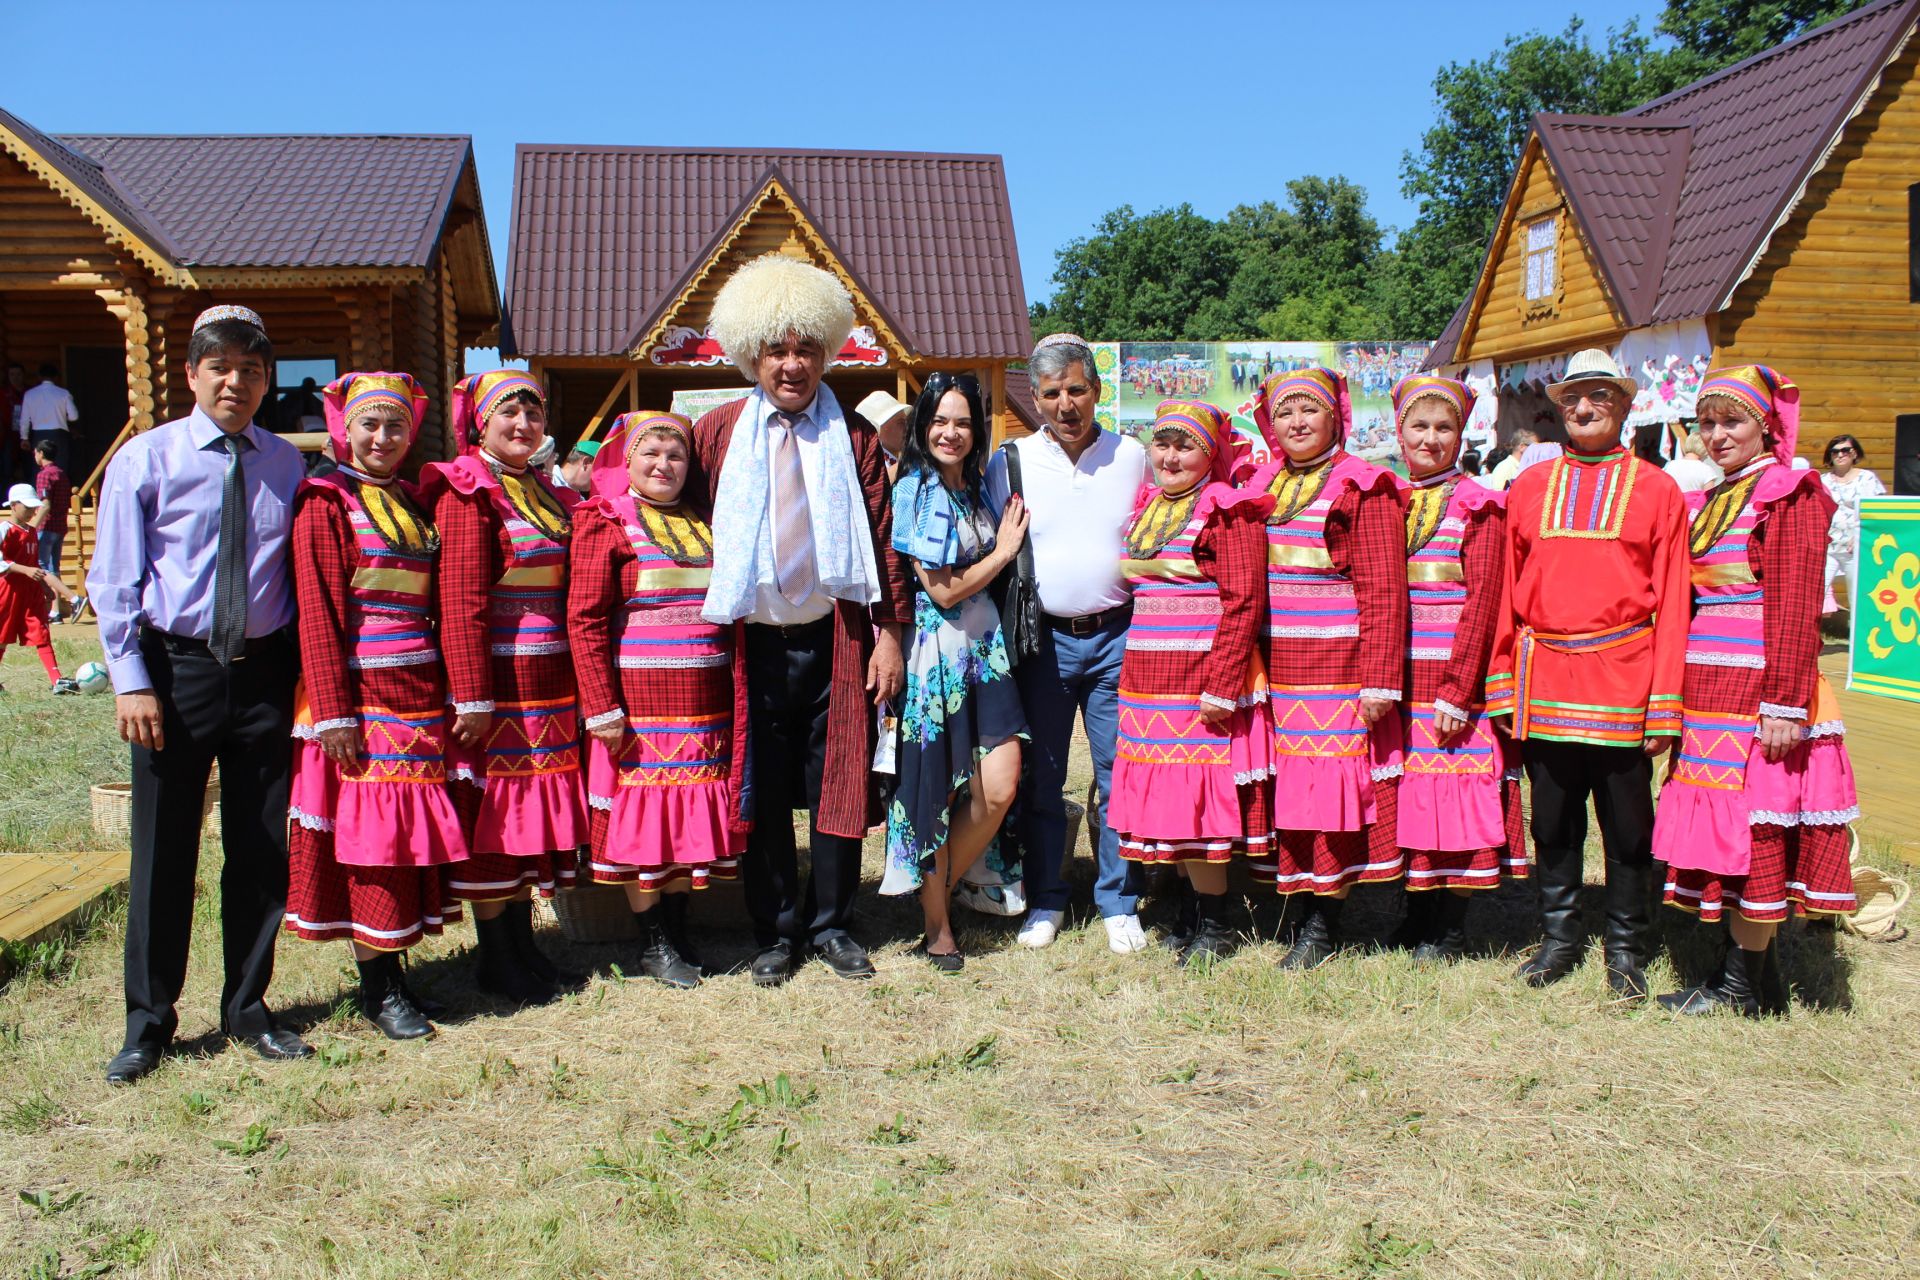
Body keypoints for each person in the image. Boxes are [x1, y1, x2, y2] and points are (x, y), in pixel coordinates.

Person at [91, 305, 311, 1084]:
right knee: (164, 852)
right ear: (191, 375)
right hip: (173, 673)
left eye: (252, 370)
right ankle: (148, 1024)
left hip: (261, 674)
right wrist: (130, 680)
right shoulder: (145, 461)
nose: (236, 382)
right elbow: (113, 579)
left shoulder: (287, 463)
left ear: (266, 380)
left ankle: (248, 1008)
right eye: (220, 367)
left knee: (258, 847)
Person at [686, 254, 908, 987]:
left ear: (826, 352)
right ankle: (776, 931)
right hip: (749, 643)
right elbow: (676, 521)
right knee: (763, 785)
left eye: (806, 349)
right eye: (777, 350)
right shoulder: (716, 433)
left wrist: (889, 634)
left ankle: (833, 924)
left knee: (838, 781)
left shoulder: (853, 437)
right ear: (752, 353)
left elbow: (884, 540)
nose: (791, 365)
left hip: (836, 638)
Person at [1650, 368, 1859, 1014]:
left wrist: (1785, 703)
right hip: (1713, 691)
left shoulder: (1789, 493)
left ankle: (1741, 983)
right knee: (1736, 833)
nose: (1716, 436)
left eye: (1731, 422)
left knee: (1758, 832)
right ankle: (1755, 982)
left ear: (1765, 425)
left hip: (1762, 693)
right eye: (1707, 423)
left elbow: (1797, 605)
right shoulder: (1720, 498)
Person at [1494, 348, 1689, 1001]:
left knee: (1630, 827)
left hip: (1625, 678)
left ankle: (1627, 947)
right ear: (1559, 407)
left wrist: (1665, 702)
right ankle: (1559, 939)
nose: (1584, 408)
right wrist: (1501, 680)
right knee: (1551, 819)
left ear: (1625, 408)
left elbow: (1674, 597)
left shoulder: (1659, 490)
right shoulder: (1527, 487)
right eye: (1575, 397)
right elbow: (1502, 590)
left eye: (1600, 397)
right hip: (1544, 674)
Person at [283, 373, 467, 1039]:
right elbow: (319, 611)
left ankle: (400, 975)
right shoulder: (324, 503)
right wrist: (333, 710)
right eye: (369, 425)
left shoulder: (412, 502)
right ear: (345, 430)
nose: (383, 438)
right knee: (374, 846)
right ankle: (380, 989)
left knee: (404, 842)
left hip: (417, 696)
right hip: (361, 698)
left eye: (394, 426)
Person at [421, 370, 587, 1005]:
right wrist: (471, 694)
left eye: (533, 415)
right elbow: (460, 598)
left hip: (547, 684)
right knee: (493, 816)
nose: (523, 425)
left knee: (526, 817)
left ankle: (523, 946)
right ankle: (497, 959)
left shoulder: (542, 489)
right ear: (480, 423)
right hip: (498, 683)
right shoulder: (468, 491)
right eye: (508, 414)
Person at [568, 411, 747, 989]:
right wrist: (602, 707)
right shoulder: (606, 521)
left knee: (683, 823)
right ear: (627, 459)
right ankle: (654, 943)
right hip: (640, 705)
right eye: (651, 454)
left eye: (676, 456)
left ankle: (678, 930)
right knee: (643, 824)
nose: (664, 466)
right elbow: (586, 619)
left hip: (703, 701)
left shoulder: (704, 520)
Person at [985, 334, 1150, 954]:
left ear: (1096, 390)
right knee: (1044, 774)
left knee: (1118, 771)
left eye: (1076, 389)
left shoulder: (1131, 455)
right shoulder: (1011, 462)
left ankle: (1118, 899)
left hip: (1118, 635)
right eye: (1051, 393)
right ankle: (1046, 897)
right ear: (1037, 398)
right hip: (1043, 643)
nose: (1064, 404)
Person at [1246, 367, 1408, 969]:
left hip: (1338, 665)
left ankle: (1322, 921)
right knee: (1291, 792)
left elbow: (1385, 587)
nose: (1296, 423)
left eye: (1309, 411)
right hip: (1277, 668)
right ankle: (1296, 903)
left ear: (1336, 416)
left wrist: (1380, 678)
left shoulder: (1362, 486)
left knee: (1328, 797)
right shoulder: (1258, 483)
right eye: (1285, 412)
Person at [1106, 400, 1270, 967]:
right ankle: (1189, 910)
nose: (1172, 456)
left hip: (1198, 677)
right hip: (1146, 676)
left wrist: (1222, 682)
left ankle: (1218, 923)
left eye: (1187, 446)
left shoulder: (1227, 508)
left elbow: (1244, 600)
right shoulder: (1149, 506)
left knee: (1198, 801)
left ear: (1211, 453)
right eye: (1164, 443)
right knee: (1168, 802)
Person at [881, 374, 1029, 970]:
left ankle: (945, 883)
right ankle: (936, 925)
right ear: (922, 426)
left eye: (963, 422)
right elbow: (941, 591)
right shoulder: (916, 490)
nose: (951, 432)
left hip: (986, 652)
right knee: (935, 788)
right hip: (936, 660)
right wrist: (1003, 551)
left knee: (1000, 785)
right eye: (940, 421)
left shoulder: (972, 487)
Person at [1387, 376, 1526, 962]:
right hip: (1401, 675)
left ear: (1461, 435)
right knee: (1417, 795)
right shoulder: (1387, 497)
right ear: (1399, 432)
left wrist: (1458, 687)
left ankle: (1449, 928)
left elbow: (1486, 600)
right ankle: (1415, 915)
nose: (1431, 438)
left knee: (1454, 794)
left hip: (1451, 674)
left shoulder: (1479, 504)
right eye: (1419, 426)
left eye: (1444, 428)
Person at [1, 484, 78, 693]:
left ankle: (56, 680)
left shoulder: (33, 532)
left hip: (30, 592)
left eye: (34, 507)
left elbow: (34, 563)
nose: (33, 511)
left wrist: (43, 585)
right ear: (14, 505)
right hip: (8, 591)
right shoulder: (5, 529)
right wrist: (24, 570)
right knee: (2, 636)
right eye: (27, 507)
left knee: (41, 632)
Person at [1817, 433, 1885, 614]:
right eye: (1835, 452)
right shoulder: (1822, 481)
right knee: (1816, 594)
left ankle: (1858, 640)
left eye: (1845, 450)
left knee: (1858, 597)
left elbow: (1876, 511)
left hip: (1855, 547)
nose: (1840, 455)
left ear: (1854, 453)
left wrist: (1861, 535)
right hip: (1828, 547)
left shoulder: (1867, 478)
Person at [22, 362, 79, 471]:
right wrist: (62, 417)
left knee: (39, 467)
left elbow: (24, 419)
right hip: (59, 435)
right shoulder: (63, 393)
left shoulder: (30, 394)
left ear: (39, 376)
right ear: (56, 377)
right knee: (60, 467)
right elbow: (74, 416)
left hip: (38, 435)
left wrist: (24, 438)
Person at [856, 390, 911, 484]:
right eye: (901, 423)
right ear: (878, 429)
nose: (907, 428)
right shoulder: (871, 463)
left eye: (907, 422)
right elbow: (877, 486)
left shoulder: (890, 461)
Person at [1663, 431, 1721, 495]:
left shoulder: (1669, 466)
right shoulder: (1707, 470)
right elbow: (1709, 498)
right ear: (1704, 448)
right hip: (1696, 505)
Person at [1484, 425, 1536, 491]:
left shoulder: (1526, 466)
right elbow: (1499, 496)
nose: (1537, 449)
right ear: (1522, 446)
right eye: (1534, 446)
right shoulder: (1504, 468)